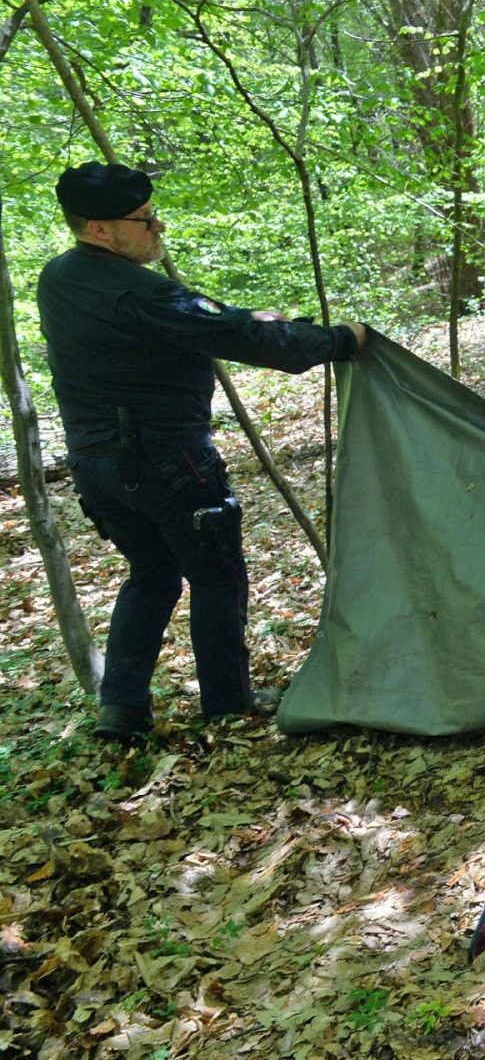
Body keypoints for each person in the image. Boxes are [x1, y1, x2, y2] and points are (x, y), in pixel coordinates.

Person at [37, 161, 368, 739]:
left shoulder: (60, 277)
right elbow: (238, 336)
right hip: (167, 464)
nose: (157, 228)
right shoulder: (137, 289)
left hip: (96, 468)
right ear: (98, 229)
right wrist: (342, 339)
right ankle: (227, 704)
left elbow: (198, 322)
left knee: (151, 573)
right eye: (143, 221)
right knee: (216, 575)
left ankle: (121, 708)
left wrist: (246, 318)